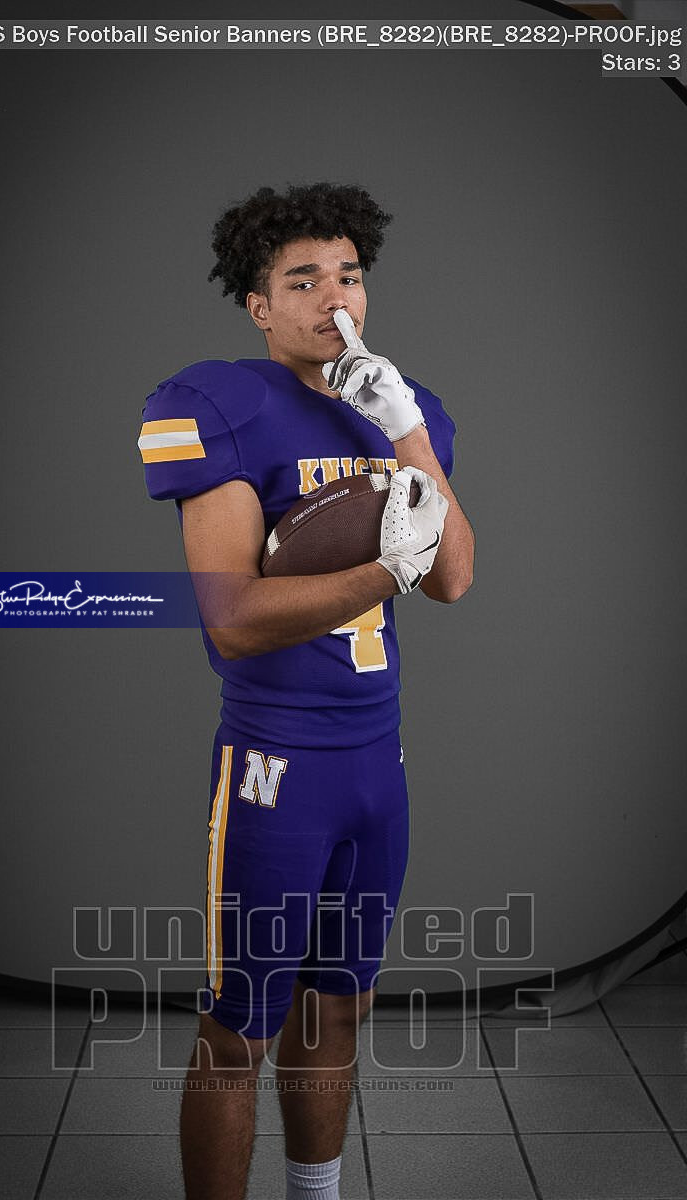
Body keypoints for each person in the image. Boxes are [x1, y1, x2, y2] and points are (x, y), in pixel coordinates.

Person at [138, 182, 474, 1200]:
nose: (335, 298)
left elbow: (454, 577)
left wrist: (405, 430)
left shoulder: (405, 408)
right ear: (258, 305)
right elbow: (233, 619)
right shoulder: (215, 404)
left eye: (349, 275)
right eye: (302, 280)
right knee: (240, 1028)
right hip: (274, 770)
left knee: (338, 1011)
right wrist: (384, 570)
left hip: (377, 764)